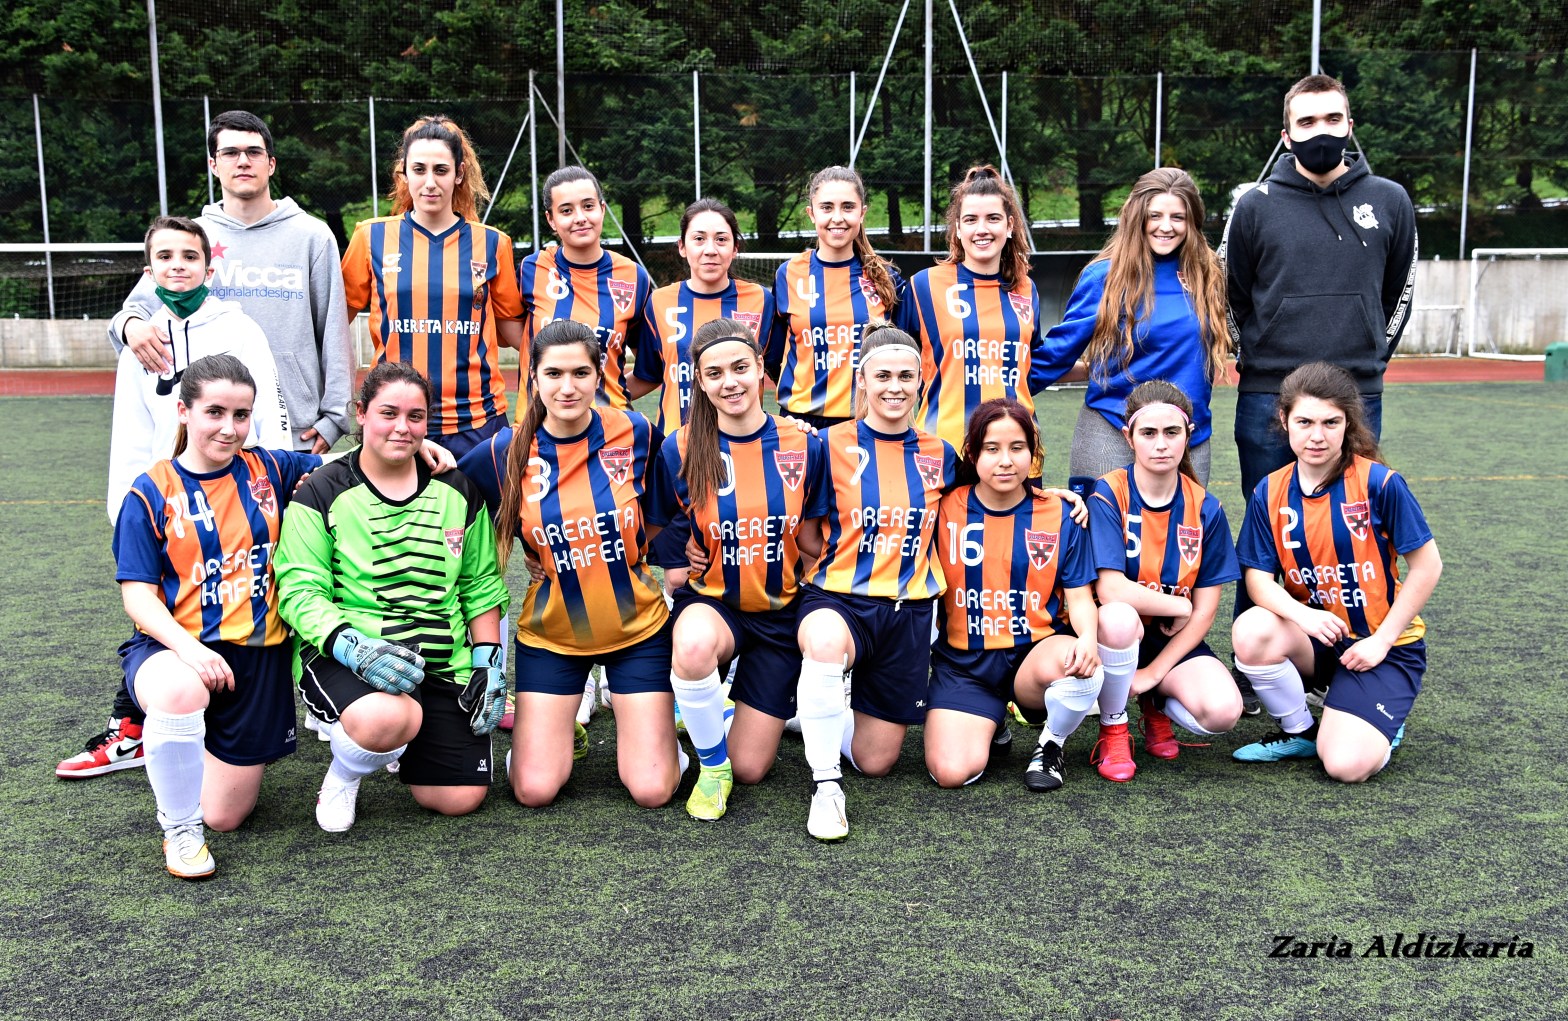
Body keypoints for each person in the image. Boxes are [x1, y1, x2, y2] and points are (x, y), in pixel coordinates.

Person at [57, 216, 293, 784]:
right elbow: (130, 432)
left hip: (239, 502)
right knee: (159, 608)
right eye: (165, 257)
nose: (178, 266)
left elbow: (268, 415)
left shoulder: (239, 328)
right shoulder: (139, 338)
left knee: (246, 606)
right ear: (149, 270)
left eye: (189, 256)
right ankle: (133, 727)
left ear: (210, 268)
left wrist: (273, 495)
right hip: (167, 507)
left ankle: (254, 717)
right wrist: (126, 509)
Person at [111, 354, 322, 878]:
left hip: (258, 658)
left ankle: (180, 745)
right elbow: (138, 598)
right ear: (184, 412)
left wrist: (417, 446)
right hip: (175, 649)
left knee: (226, 816)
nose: (229, 428)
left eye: (241, 415)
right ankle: (180, 829)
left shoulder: (271, 468)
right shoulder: (150, 492)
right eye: (215, 412)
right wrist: (191, 650)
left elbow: (356, 463)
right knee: (182, 692)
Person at [275, 362, 509, 830]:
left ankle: (403, 742)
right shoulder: (321, 490)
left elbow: (480, 584)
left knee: (457, 798)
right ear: (361, 414)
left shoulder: (457, 489)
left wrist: (489, 661)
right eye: (388, 413)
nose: (403, 427)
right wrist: (353, 648)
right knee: (386, 718)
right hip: (351, 655)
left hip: (442, 660)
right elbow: (300, 590)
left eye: (415, 416)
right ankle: (346, 772)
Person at [462, 320, 683, 810]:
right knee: (534, 790)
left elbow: (674, 498)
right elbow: (443, 486)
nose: (568, 387)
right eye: (554, 374)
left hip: (637, 631)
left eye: (581, 373)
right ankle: (557, 737)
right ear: (533, 379)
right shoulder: (503, 451)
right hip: (552, 635)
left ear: (599, 374)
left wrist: (625, 550)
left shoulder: (635, 431)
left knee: (652, 790)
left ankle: (662, 748)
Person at [648, 319, 829, 821]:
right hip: (714, 603)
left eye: (740, 368)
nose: (730, 382)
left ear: (760, 369)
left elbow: (815, 533)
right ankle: (711, 767)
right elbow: (657, 522)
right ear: (700, 382)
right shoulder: (680, 447)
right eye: (715, 373)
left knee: (750, 766)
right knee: (691, 646)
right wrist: (678, 559)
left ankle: (720, 711)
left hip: (780, 615)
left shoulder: (805, 444)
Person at [1230, 362, 1441, 782]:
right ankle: (1301, 731)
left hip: (1382, 647)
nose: (1317, 436)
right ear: (1284, 420)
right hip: (1319, 639)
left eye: (1331, 422)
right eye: (1305, 422)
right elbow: (1257, 580)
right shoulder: (1269, 491)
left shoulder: (1379, 483)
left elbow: (1427, 566)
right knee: (1251, 631)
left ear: (1348, 424)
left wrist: (1382, 641)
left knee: (1345, 766)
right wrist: (1304, 616)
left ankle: (1378, 726)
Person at [108, 109, 353, 457]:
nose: (243, 161)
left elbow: (334, 331)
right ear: (213, 164)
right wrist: (129, 325)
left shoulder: (312, 236)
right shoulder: (192, 238)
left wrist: (334, 419)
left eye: (253, 152)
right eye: (230, 153)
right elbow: (135, 310)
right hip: (207, 431)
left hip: (295, 430)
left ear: (271, 164)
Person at [1221, 74, 1418, 501]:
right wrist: (1256, 353)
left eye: (1332, 119)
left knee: (1350, 520)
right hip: (1268, 392)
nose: (1321, 131)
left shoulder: (1391, 200)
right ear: (1287, 136)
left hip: (1355, 391)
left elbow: (1399, 293)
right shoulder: (1254, 205)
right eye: (1307, 122)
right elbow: (1231, 296)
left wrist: (1369, 353)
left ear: (1350, 126)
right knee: (1267, 517)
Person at [795, 326, 956, 841]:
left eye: (906, 376)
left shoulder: (941, 453)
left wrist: (1058, 498)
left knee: (876, 760)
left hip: (908, 614)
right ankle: (826, 788)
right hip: (838, 602)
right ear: (861, 380)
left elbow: (987, 501)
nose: (895, 386)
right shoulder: (827, 444)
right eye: (882, 375)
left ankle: (812, 711)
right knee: (824, 644)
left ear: (920, 381)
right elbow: (805, 532)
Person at [925, 399, 1102, 793]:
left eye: (1017, 447)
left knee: (1082, 662)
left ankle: (1050, 745)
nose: (1005, 461)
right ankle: (992, 723)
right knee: (950, 773)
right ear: (972, 453)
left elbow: (1079, 598)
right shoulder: (942, 509)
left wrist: (1089, 639)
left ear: (1033, 454)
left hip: (1032, 658)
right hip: (964, 666)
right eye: (992, 449)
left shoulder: (1060, 514)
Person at [341, 114, 525, 461]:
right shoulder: (371, 237)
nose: (430, 182)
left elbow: (516, 333)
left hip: (477, 421)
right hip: (396, 421)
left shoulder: (492, 244)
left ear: (459, 173)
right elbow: (333, 326)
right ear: (404, 173)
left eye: (441, 170)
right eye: (419, 169)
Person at [1087, 381, 1243, 783]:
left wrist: (1154, 675)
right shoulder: (1109, 494)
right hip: (1113, 636)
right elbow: (1111, 590)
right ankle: (1113, 727)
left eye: (1172, 432)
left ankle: (1155, 704)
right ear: (1129, 437)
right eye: (1148, 433)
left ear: (1188, 435)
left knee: (1223, 712)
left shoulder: (1205, 507)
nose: (1161, 444)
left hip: (1169, 641)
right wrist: (1179, 605)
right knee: (1119, 617)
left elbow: (1206, 611)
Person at [1034, 168, 1230, 484]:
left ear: (1192, 221)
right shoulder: (1106, 277)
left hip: (1186, 437)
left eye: (1178, 217)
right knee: (1102, 518)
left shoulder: (1209, 275)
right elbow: (1057, 353)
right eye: (1155, 216)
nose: (1166, 226)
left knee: (1187, 519)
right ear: (1137, 217)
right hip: (1112, 429)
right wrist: (999, 390)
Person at [629, 198, 778, 588]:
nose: (710, 249)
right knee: (680, 575)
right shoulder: (659, 302)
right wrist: (589, 397)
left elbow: (781, 373)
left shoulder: (761, 300)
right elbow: (647, 374)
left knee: (747, 563)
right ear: (682, 247)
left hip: (745, 454)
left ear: (735, 248)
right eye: (698, 239)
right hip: (680, 455)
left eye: (721, 239)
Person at [903, 165, 1051, 448]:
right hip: (943, 449)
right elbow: (897, 362)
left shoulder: (1026, 288)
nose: (982, 229)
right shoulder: (923, 286)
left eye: (993, 218)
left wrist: (1092, 366)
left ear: (1009, 226)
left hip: (1016, 448)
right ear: (958, 228)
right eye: (971, 220)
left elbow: (1031, 365)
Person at [768, 166, 907, 429]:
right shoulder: (788, 274)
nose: (837, 217)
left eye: (848, 207)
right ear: (811, 213)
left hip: (866, 424)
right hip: (801, 424)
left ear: (862, 213)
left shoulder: (885, 278)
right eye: (827, 207)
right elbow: (773, 357)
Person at [518, 165, 653, 408]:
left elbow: (651, 370)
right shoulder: (531, 269)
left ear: (602, 209)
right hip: (540, 425)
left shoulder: (633, 276)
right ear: (551, 219)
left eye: (588, 206)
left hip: (610, 426)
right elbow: (512, 336)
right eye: (566, 210)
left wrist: (607, 398)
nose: (580, 217)